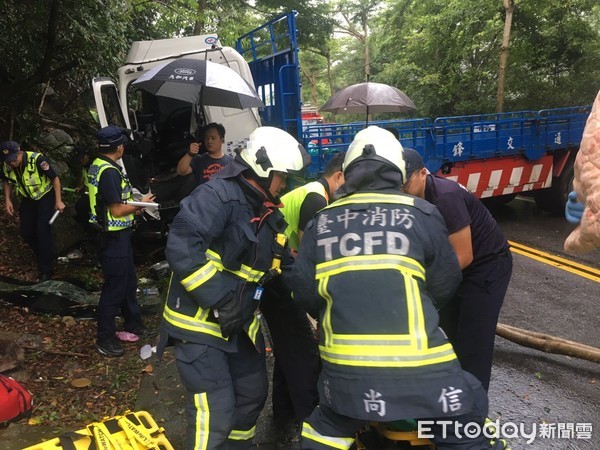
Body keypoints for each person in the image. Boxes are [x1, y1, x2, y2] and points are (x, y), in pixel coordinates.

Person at [292, 126, 506, 449]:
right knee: (469, 417)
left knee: (325, 428)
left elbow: (305, 292)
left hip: (347, 382)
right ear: (398, 171)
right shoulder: (423, 213)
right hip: (426, 378)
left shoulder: (321, 221)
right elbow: (446, 280)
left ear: (346, 173)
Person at [157, 126, 311, 450]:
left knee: (251, 395)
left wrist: (329, 300)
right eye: (281, 176)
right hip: (199, 326)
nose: (284, 184)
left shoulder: (265, 213)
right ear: (264, 169)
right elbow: (182, 248)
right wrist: (221, 300)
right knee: (216, 411)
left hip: (237, 327)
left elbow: (288, 268)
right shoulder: (217, 196)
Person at [402, 147, 513, 392]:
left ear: (423, 173)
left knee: (474, 341)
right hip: (453, 268)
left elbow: (463, 256)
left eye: (405, 182)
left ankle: (474, 412)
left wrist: (423, 290)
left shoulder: (445, 196)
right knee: (447, 334)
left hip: (486, 266)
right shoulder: (409, 201)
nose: (402, 189)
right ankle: (451, 397)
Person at [260, 153, 345, 432]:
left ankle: (284, 418)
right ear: (339, 176)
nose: (283, 185)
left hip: (277, 274)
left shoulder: (315, 193)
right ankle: (313, 423)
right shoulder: (317, 200)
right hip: (281, 279)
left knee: (288, 350)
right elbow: (313, 258)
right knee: (304, 353)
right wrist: (320, 310)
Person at [88, 126, 156, 357]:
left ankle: (133, 322)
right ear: (119, 147)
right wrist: (142, 204)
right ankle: (105, 337)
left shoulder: (101, 165)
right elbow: (116, 210)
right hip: (112, 237)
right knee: (115, 287)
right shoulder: (108, 171)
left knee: (128, 280)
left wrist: (135, 204)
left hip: (119, 236)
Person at [1, 140, 65, 281]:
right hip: (28, 199)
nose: (11, 163)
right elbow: (7, 181)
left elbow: (55, 179)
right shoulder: (7, 165)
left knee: (43, 231)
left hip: (44, 197)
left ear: (20, 153)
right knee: (26, 232)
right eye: (8, 161)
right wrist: (7, 199)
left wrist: (58, 201)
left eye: (13, 159)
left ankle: (46, 270)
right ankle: (44, 254)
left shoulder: (37, 160)